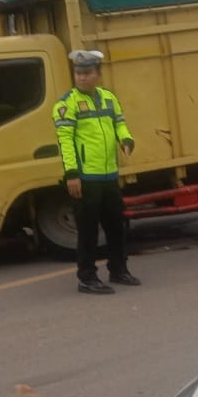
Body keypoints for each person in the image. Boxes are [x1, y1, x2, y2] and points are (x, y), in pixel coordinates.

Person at [53, 49, 140, 294]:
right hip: (85, 177)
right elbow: (65, 141)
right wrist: (72, 174)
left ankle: (119, 269)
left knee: (116, 226)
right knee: (88, 230)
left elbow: (120, 124)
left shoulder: (108, 98)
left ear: (98, 74)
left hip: (109, 174)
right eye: (78, 73)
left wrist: (126, 140)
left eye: (87, 73)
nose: (81, 77)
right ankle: (87, 277)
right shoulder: (65, 104)